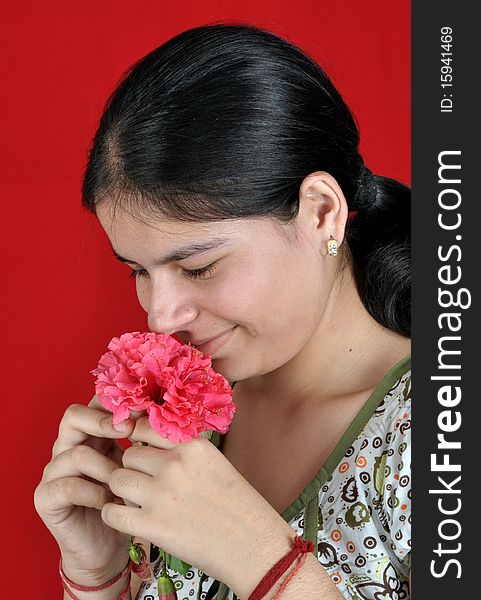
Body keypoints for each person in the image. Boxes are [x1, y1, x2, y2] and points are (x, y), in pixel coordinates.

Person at [34, 22, 411, 600]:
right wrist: (97, 575)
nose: (161, 317)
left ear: (320, 213)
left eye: (200, 267)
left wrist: (260, 559)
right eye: (138, 270)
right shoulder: (187, 428)